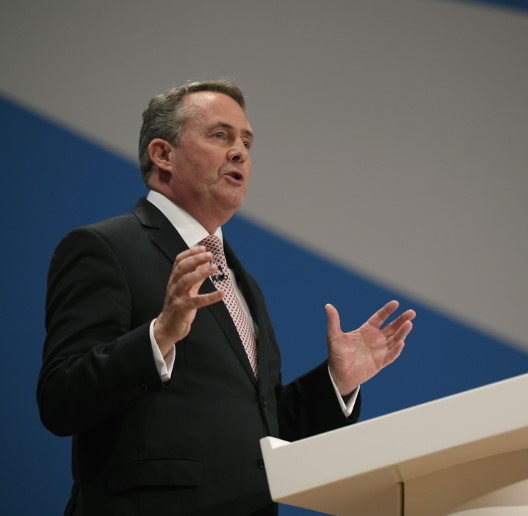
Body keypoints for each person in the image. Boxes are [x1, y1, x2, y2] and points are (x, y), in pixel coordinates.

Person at [36, 79, 415, 515]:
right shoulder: (105, 247)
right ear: (163, 155)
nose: (240, 153)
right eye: (220, 136)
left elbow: (261, 430)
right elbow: (60, 399)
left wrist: (337, 382)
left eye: (247, 142)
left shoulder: (241, 281)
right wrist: (158, 336)